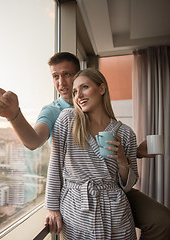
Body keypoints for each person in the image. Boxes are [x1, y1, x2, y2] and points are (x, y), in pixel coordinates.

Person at [0, 52, 170, 239]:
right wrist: (14, 115)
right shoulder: (57, 113)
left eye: (67, 75)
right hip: (77, 197)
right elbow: (37, 145)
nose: (61, 82)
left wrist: (133, 153)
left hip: (113, 193)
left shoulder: (116, 124)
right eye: (55, 76)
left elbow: (112, 163)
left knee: (163, 220)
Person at [45, 68, 138, 239]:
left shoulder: (126, 133)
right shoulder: (68, 119)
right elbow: (55, 165)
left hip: (116, 211)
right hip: (76, 211)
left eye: (84, 87)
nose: (78, 95)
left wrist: (122, 160)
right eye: (75, 91)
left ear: (101, 89)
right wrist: (52, 208)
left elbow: (128, 185)